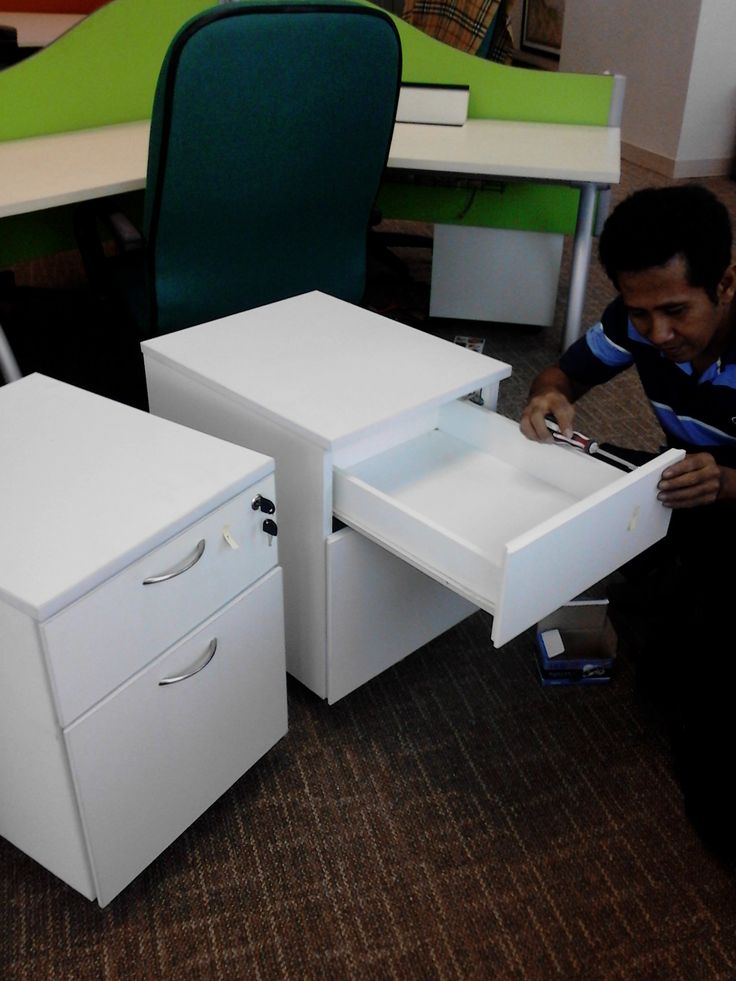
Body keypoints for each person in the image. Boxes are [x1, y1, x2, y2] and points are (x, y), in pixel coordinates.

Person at [521, 183, 736, 862]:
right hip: (686, 483)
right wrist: (548, 395)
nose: (659, 335)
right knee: (572, 475)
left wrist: (730, 480)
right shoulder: (634, 319)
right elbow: (563, 373)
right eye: (642, 316)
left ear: (726, 281)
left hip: (726, 490)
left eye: (676, 311)